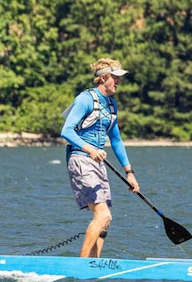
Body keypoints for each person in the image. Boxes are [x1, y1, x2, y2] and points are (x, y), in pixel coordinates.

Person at [60, 57, 140, 258]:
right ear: (104, 78)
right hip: (81, 159)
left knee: (106, 219)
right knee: (102, 214)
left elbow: (116, 140)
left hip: (98, 162)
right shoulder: (85, 99)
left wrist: (129, 173)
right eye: (115, 78)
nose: (119, 82)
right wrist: (90, 149)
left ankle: (94, 263)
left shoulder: (112, 105)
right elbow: (67, 131)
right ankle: (82, 264)